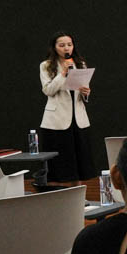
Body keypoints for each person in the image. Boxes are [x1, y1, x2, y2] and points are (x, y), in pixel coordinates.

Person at [38, 31, 96, 186]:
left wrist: (86, 93)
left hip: (78, 120)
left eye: (69, 45)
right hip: (56, 121)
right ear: (54, 47)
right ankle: (57, 196)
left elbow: (83, 93)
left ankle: (77, 195)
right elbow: (48, 90)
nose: (66, 48)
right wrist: (62, 74)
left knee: (77, 162)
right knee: (58, 164)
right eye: (62, 45)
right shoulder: (46, 66)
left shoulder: (80, 64)